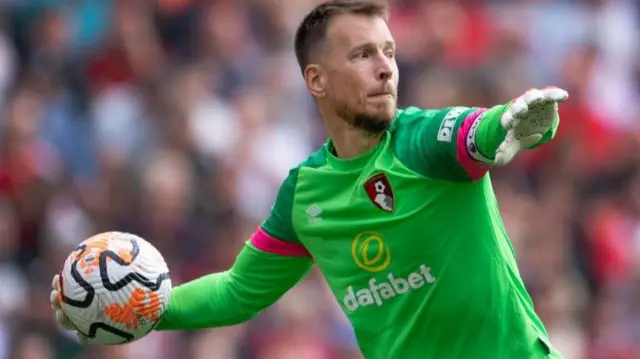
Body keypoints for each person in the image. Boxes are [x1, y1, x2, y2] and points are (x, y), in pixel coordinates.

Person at [50, 0, 568, 358]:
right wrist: (125, 305)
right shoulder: (305, 193)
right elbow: (235, 292)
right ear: (316, 79)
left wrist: (521, 122)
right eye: (363, 54)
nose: (385, 68)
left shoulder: (422, 141)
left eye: (388, 52)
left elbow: (485, 131)